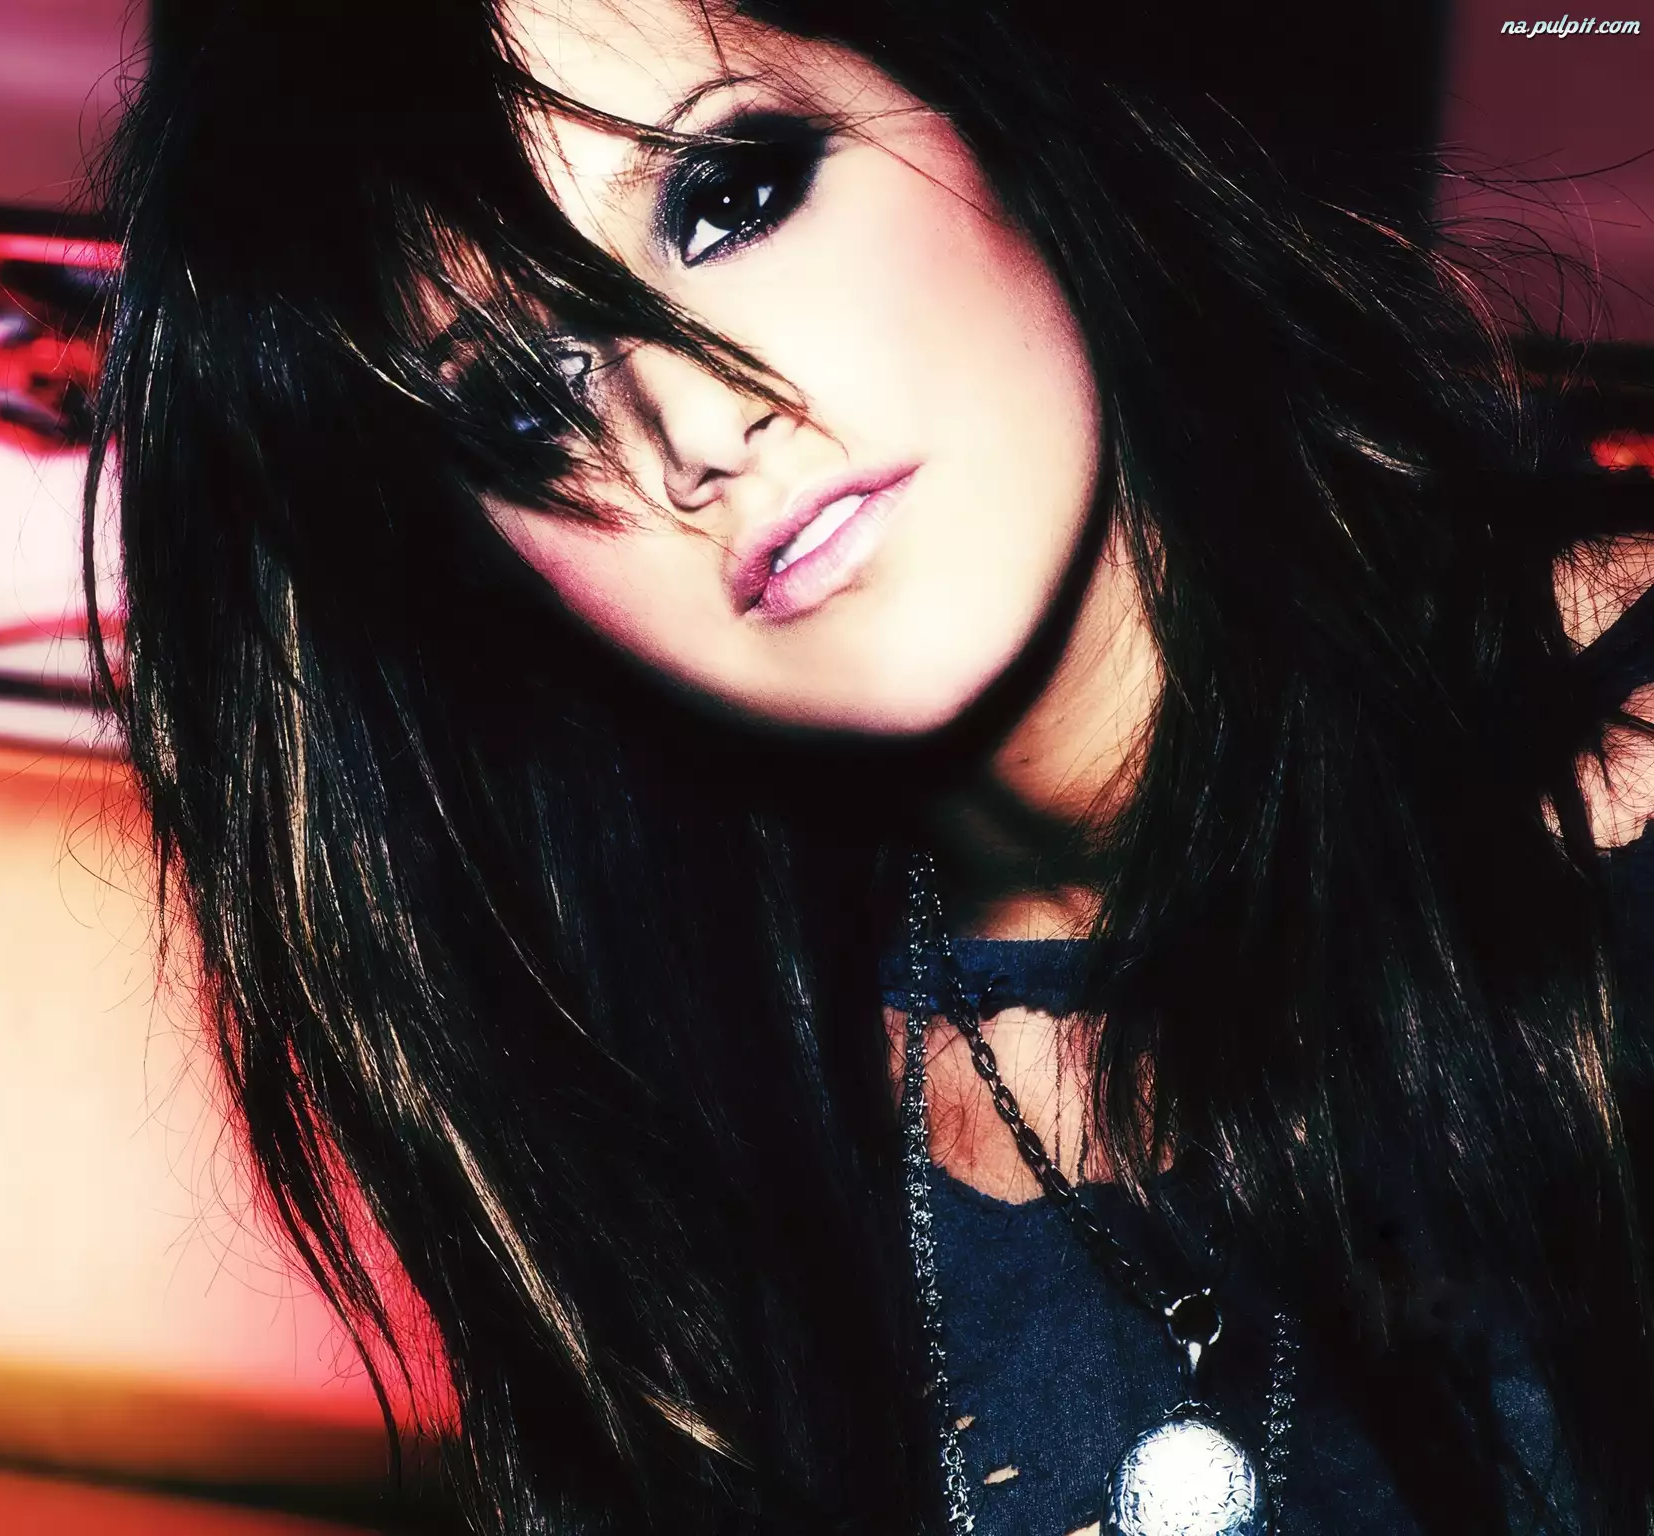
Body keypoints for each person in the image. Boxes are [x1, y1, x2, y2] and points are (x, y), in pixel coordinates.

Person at [83, 1, 1654, 1531]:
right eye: (526, 401)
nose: (692, 427)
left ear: (984, 94)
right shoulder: (698, 1135)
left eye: (731, 197)